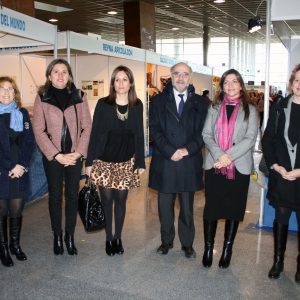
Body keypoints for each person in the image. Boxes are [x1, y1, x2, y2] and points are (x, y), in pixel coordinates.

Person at [33, 58, 92, 256]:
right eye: (56, 72)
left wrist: (79, 152)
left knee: (72, 196)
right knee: (55, 196)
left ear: (69, 75)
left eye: (64, 72)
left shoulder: (80, 96)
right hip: (53, 158)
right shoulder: (42, 97)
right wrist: (56, 155)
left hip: (75, 156)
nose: (60, 75)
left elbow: (87, 126)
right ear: (49, 76)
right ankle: (57, 236)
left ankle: (69, 236)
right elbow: (39, 130)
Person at [149, 62, 207, 258]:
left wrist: (187, 150)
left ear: (190, 77)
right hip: (166, 161)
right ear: (171, 76)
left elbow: (203, 133)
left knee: (187, 208)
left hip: (188, 162)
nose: (181, 78)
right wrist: (170, 151)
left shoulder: (200, 103)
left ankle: (187, 244)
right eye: (177, 74)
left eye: (185, 74)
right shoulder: (157, 101)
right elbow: (154, 130)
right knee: (165, 208)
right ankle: (166, 242)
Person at [86, 65, 145, 256]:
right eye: (117, 79)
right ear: (112, 83)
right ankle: (108, 238)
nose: (121, 83)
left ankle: (118, 237)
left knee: (121, 200)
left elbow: (139, 135)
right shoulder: (104, 104)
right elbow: (94, 134)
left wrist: (141, 162)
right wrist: (89, 162)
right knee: (107, 200)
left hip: (126, 161)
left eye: (124, 79)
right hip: (103, 161)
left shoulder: (137, 105)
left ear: (130, 83)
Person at [202, 69, 258, 268]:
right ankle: (208, 248)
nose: (231, 85)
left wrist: (228, 157)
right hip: (214, 165)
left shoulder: (250, 109)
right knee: (211, 209)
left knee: (234, 210)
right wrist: (220, 155)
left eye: (235, 81)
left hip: (239, 167)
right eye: (227, 82)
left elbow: (250, 139)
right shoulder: (214, 107)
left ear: (241, 85)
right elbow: (206, 134)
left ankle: (227, 249)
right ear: (222, 86)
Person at [262, 64, 300, 283]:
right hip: (282, 174)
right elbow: (268, 139)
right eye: (296, 80)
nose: (299, 85)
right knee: (281, 218)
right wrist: (275, 166)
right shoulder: (279, 107)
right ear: (291, 83)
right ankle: (278, 261)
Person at [0, 76, 35, 267]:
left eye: (10, 89)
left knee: (16, 210)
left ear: (15, 93)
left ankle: (15, 245)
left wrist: (21, 165)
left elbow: (29, 142)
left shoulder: (21, 113)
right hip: (2, 171)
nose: (6, 93)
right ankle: (3, 248)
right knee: (2, 211)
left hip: (20, 171)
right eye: (2, 89)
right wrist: (9, 166)